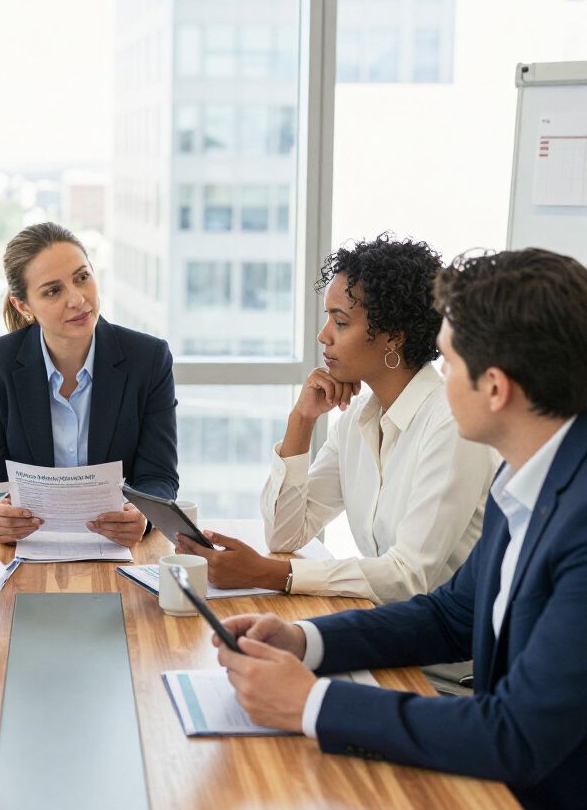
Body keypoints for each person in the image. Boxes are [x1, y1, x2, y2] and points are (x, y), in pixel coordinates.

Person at [212, 248, 587, 810]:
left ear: (495, 388)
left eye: (452, 355)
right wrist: (304, 641)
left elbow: (515, 735)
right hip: (502, 785)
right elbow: (449, 615)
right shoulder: (522, 479)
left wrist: (310, 702)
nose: (440, 370)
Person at [176, 234, 496, 603]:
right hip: (390, 626)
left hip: (447, 654)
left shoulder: (450, 424)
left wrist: (268, 573)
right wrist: (301, 420)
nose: (323, 335)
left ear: (393, 337)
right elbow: (285, 535)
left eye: (340, 322)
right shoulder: (360, 416)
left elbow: (410, 576)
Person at [0, 222, 178, 546]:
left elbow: (159, 477)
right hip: (26, 550)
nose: (77, 300)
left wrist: (144, 515)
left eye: (82, 277)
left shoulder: (148, 359)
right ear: (23, 307)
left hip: (116, 550)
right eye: (53, 291)